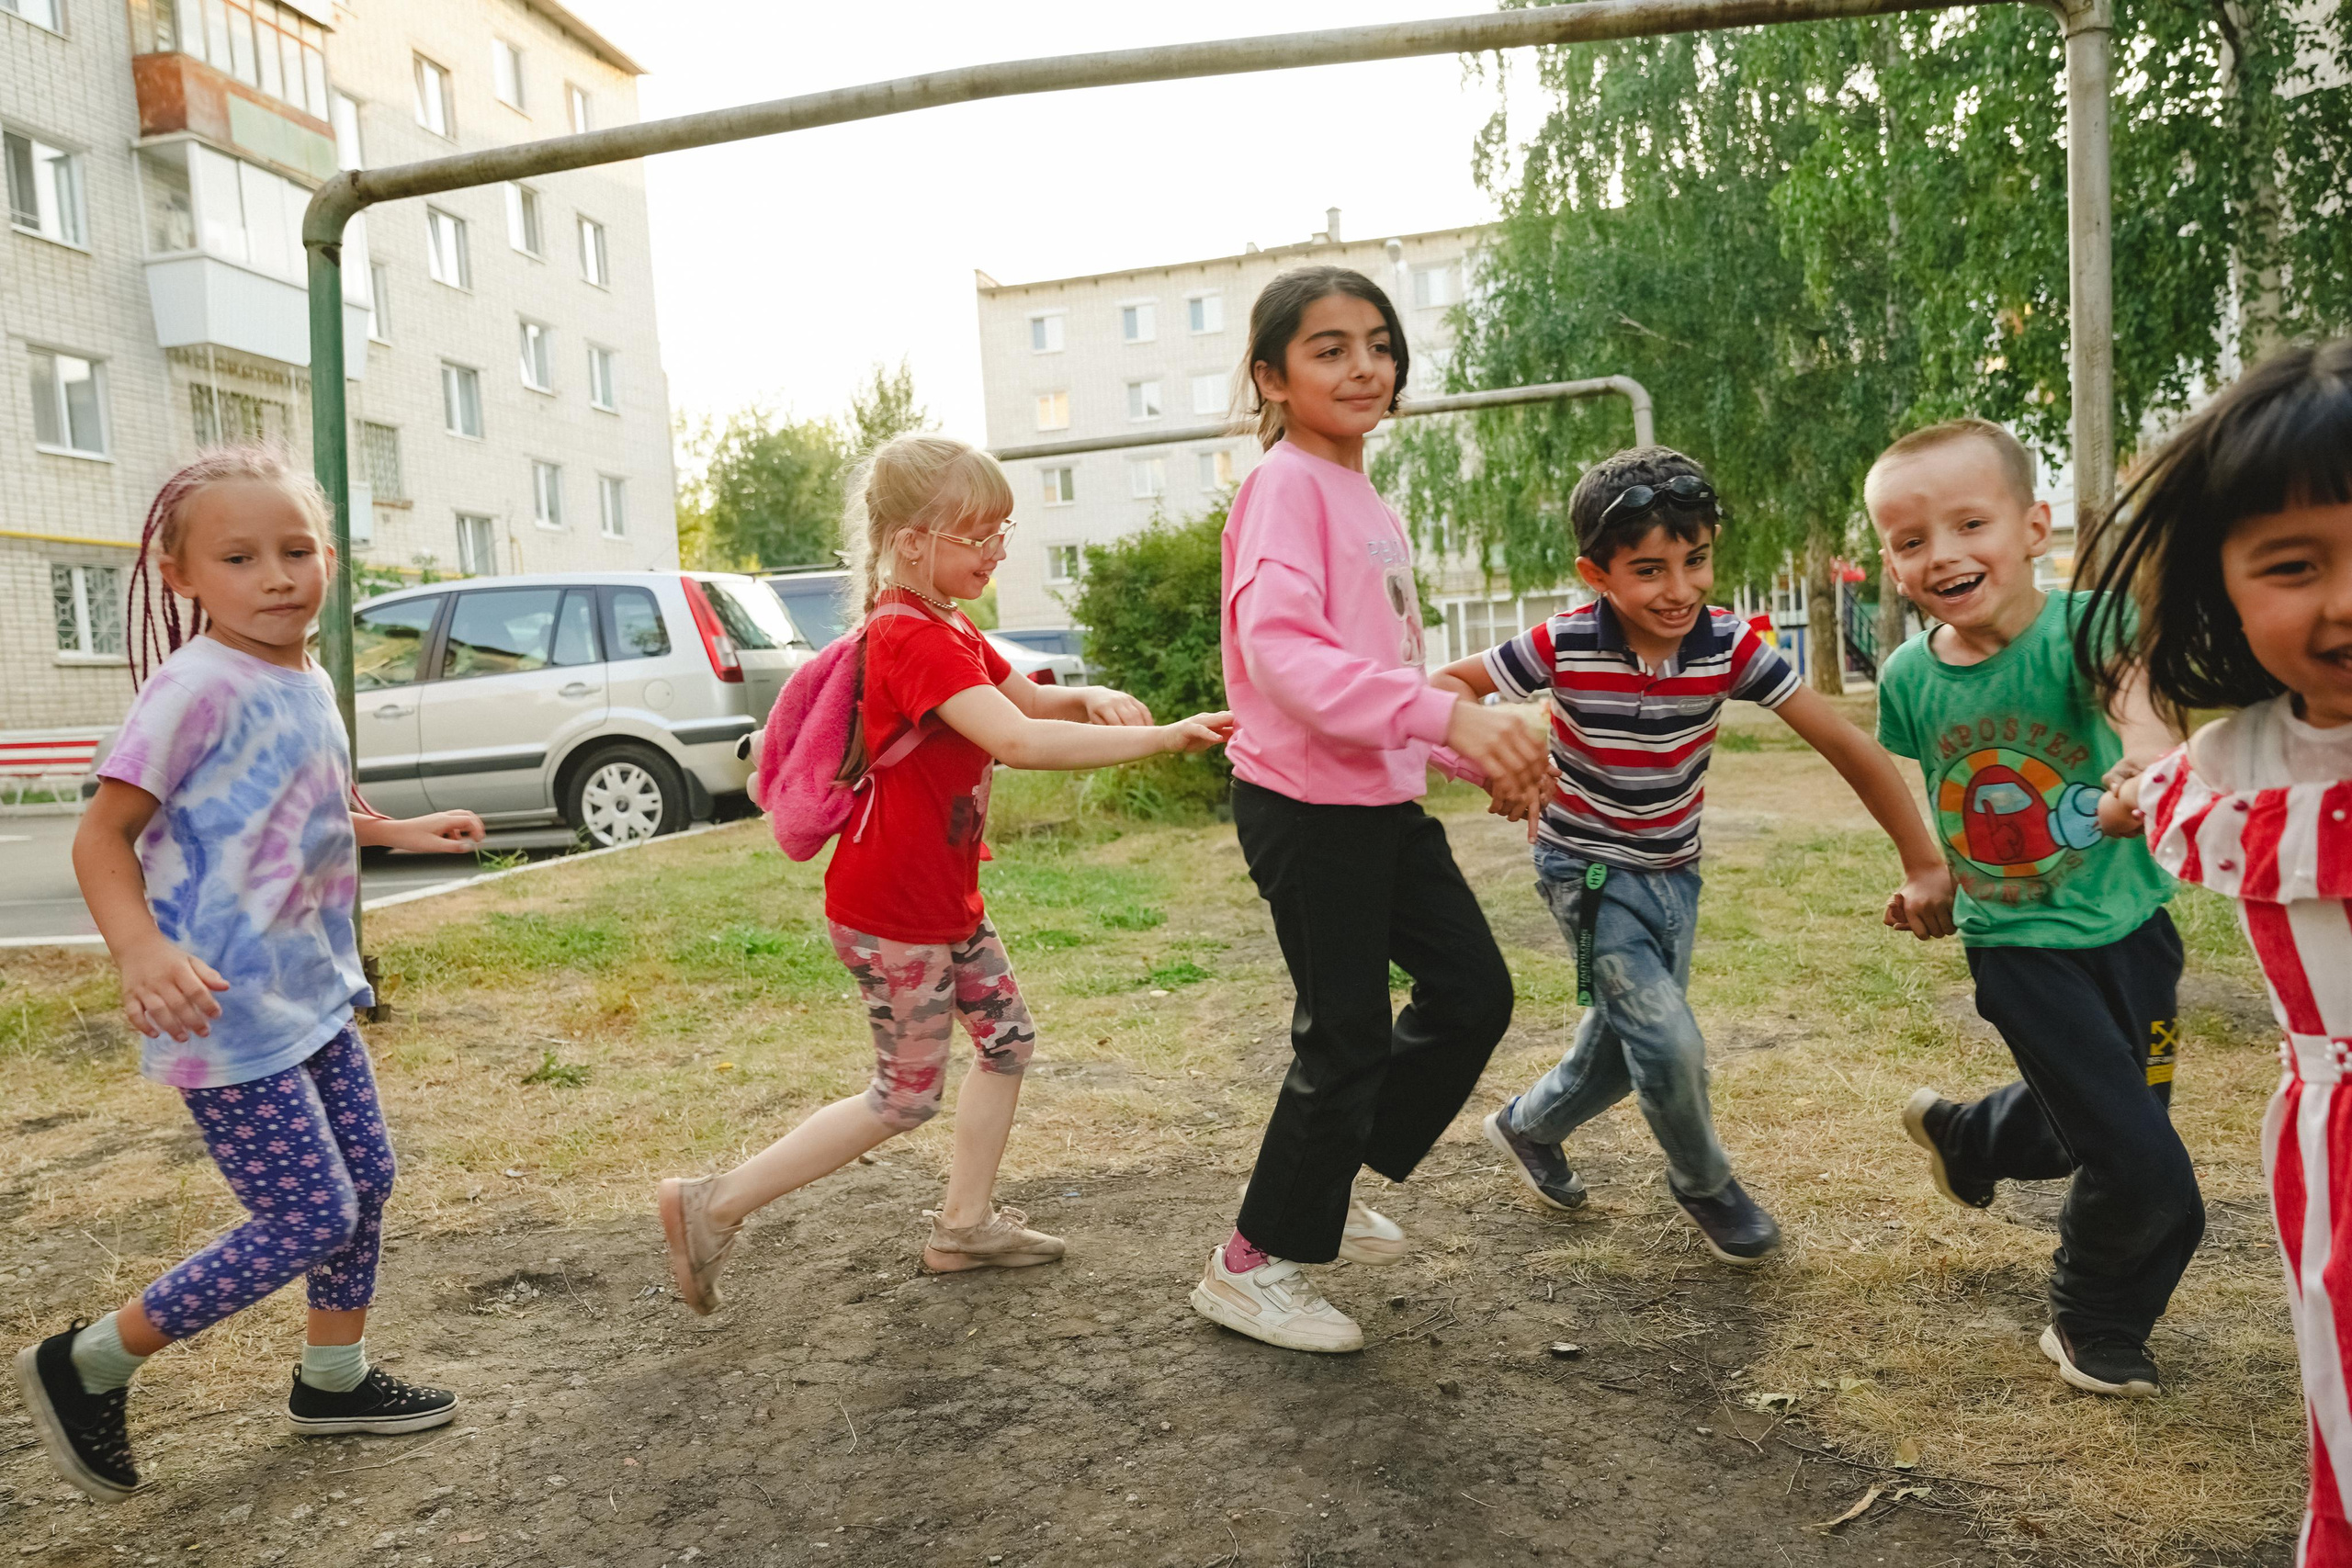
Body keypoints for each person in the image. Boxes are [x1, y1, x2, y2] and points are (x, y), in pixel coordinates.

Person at [12, 448, 492, 1504]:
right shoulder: (191, 689)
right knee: (309, 1214)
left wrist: (397, 831)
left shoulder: (304, 675)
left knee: (366, 1182)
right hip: (219, 1005)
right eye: (239, 558)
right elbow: (101, 836)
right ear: (181, 575)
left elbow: (308, 807)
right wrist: (141, 950)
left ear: (328, 557)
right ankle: (87, 1363)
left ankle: (332, 1380)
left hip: (307, 987)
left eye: (296, 550)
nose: (276, 577)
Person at [659, 436, 1231, 1310]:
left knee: (1007, 1042)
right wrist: (1160, 737)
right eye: (979, 534)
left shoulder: (946, 625)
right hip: (893, 909)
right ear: (913, 540)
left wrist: (1089, 696)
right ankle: (713, 1204)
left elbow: (1028, 703)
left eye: (1004, 531)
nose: (997, 550)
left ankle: (963, 1225)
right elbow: (1019, 741)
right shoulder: (909, 638)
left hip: (943, 897)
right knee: (903, 1096)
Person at [1432, 446, 1956, 1266]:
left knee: (1627, 1044)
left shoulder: (1729, 645)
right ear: (1597, 574)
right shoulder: (1563, 643)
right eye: (1649, 569)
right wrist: (1501, 757)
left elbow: (1845, 742)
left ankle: (1527, 1126)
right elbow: (1446, 686)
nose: (1680, 588)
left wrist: (1923, 860)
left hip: (1675, 873)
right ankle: (1705, 1182)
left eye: (1697, 559)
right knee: (1667, 1041)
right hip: (1586, 871)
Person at [1187, 265, 1552, 1356]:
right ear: (1272, 378)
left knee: (1472, 993)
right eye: (1330, 348)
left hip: (1376, 799)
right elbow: (1285, 658)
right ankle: (1251, 1263)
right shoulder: (1284, 486)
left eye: (1380, 345)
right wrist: (1451, 718)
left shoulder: (1368, 502)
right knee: (1343, 1035)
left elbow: (1371, 676)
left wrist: (1461, 756)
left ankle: (1320, 1183)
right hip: (1305, 806)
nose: (1364, 367)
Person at [1866, 417, 2193, 1399]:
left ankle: (1967, 1137)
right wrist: (1928, 872)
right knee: (2146, 1169)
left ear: (2032, 529)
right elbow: (1942, 793)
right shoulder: (1908, 678)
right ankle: (2092, 1321)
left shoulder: (2093, 625)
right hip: (2017, 948)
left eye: (1970, 524)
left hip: (2135, 931)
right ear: (1891, 563)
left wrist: (2144, 766)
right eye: (1910, 540)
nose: (1942, 554)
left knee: (2092, 1126)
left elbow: (2137, 704)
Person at [2088, 341, 2352, 1558]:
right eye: (2295, 565)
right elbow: (2158, 793)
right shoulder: (2240, 759)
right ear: (2224, 587)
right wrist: (2128, 785)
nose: (2343, 600)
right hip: (2334, 1150)